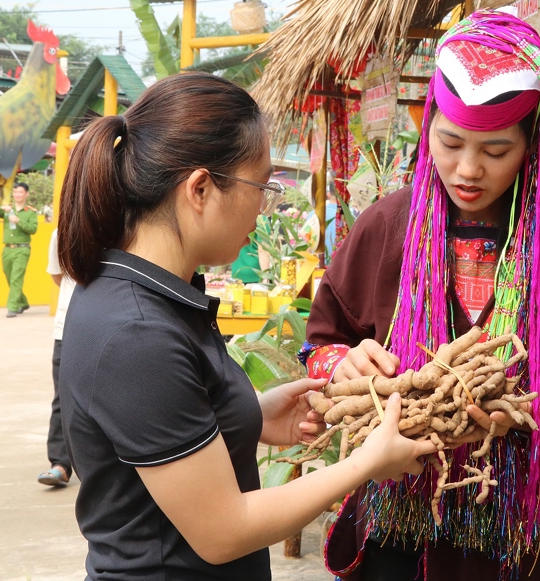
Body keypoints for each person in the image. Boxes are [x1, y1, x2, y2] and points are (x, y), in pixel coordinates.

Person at [57, 72, 437, 581]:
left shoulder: (148, 293)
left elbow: (161, 426)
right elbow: (223, 532)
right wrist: (365, 463)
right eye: (262, 185)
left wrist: (251, 416)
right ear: (200, 188)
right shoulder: (136, 331)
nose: (264, 208)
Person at [300, 11, 540, 580]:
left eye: (496, 151)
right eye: (450, 143)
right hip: (397, 515)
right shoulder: (385, 225)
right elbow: (321, 343)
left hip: (514, 529)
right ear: (429, 131)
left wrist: (521, 414)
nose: (468, 169)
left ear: (535, 142)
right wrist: (345, 367)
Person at [37, 228, 74, 488]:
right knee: (63, 397)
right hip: (68, 327)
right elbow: (58, 275)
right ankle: (60, 464)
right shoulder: (60, 234)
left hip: (110, 323)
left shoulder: (119, 224)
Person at [0, 181, 38, 317]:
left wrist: (19, 221)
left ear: (26, 194)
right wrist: (2, 208)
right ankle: (23, 302)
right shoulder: (9, 208)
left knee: (16, 278)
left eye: (20, 192)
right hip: (7, 249)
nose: (17, 194)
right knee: (9, 276)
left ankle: (12, 307)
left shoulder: (30, 212)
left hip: (22, 249)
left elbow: (33, 229)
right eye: (15, 192)